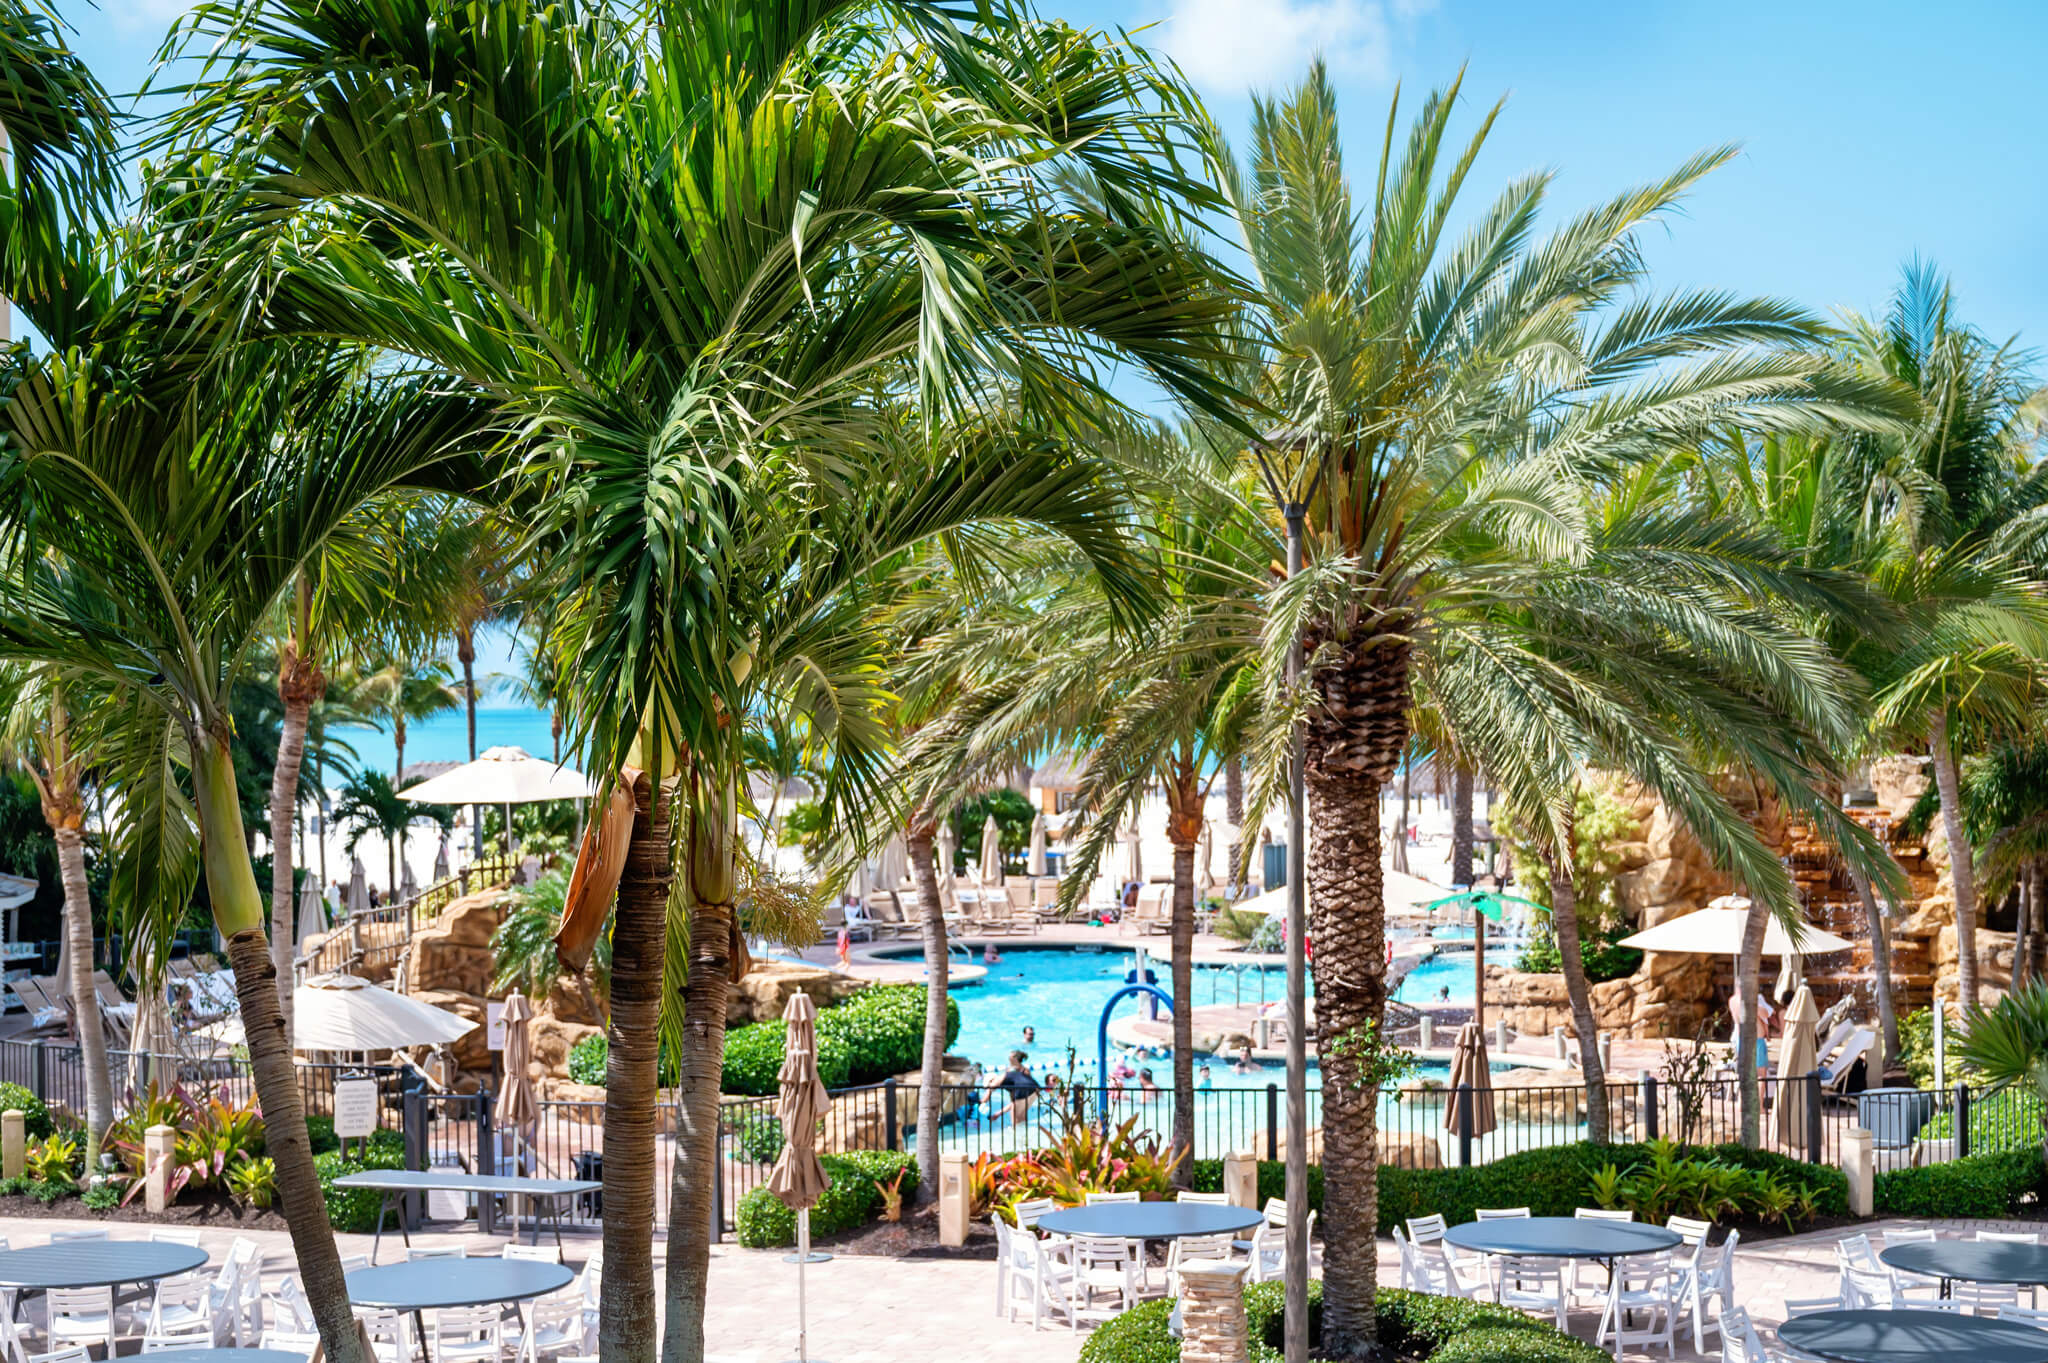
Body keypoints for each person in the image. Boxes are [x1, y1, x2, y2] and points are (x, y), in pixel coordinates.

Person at [996, 1051, 1039, 1126]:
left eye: (1011, 1056)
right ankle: (1021, 1135)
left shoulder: (1024, 1070)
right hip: (1015, 1096)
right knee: (1020, 1118)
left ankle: (1018, 1135)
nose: (1009, 1057)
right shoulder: (1008, 1069)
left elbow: (1029, 1084)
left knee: (1018, 1119)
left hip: (1022, 1095)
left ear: (1016, 1058)